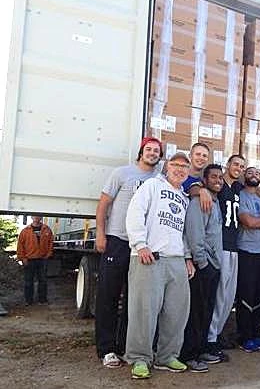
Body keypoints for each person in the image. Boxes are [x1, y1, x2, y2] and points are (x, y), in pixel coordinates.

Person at [125, 152, 195, 379]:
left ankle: (167, 356)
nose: (180, 169)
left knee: (176, 312)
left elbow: (183, 232)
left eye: (184, 166)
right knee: (144, 311)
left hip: (176, 260)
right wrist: (140, 244)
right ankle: (139, 358)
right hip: (149, 256)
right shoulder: (152, 186)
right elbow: (135, 212)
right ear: (167, 167)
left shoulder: (184, 198)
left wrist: (187, 257)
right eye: (175, 164)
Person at [94, 137, 163, 368]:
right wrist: (101, 234)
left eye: (156, 151)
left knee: (135, 300)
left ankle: (125, 346)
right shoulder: (122, 173)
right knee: (108, 296)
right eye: (149, 149)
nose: (152, 153)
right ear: (141, 152)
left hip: (142, 247)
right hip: (118, 240)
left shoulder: (159, 179)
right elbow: (103, 204)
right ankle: (106, 349)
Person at [180, 164, 224, 373]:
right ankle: (189, 355)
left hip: (214, 265)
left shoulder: (215, 202)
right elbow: (195, 232)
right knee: (196, 312)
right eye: (213, 177)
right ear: (204, 181)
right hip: (203, 265)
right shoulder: (199, 201)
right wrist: (202, 262)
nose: (218, 180)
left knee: (207, 310)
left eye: (220, 177)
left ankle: (202, 349)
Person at [205, 154, 245, 361]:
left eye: (242, 166)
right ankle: (209, 338)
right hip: (220, 245)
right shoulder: (219, 186)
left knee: (229, 296)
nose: (238, 168)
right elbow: (200, 187)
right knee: (219, 294)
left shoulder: (238, 188)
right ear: (228, 165)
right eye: (235, 164)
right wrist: (200, 189)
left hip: (234, 246)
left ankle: (216, 334)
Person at [236, 167, 260, 352]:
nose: (254, 176)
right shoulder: (240, 195)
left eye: (257, 174)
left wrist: (254, 222)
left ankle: (257, 335)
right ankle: (245, 337)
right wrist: (257, 222)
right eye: (250, 173)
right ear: (245, 176)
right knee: (246, 294)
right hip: (245, 250)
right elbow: (247, 222)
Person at [17, 216, 53, 306]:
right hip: (29, 260)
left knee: (43, 281)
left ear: (41, 217)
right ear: (31, 217)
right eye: (34, 216)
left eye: (38, 216)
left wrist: (48, 254)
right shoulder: (25, 231)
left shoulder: (47, 229)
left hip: (42, 259)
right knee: (28, 282)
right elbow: (20, 246)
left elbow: (51, 243)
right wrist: (23, 258)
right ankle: (28, 301)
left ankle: (42, 300)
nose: (36, 217)